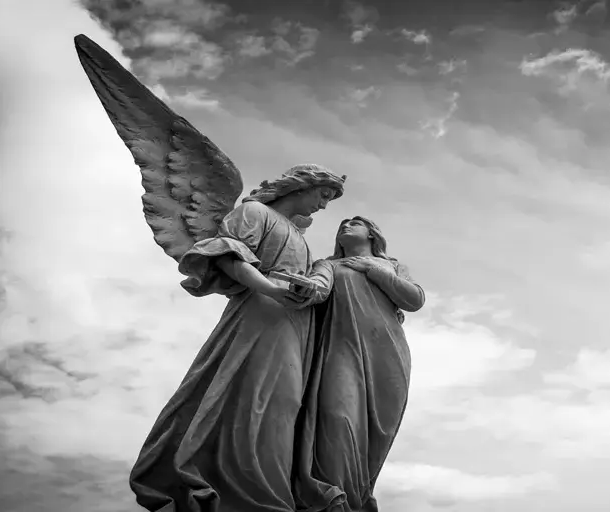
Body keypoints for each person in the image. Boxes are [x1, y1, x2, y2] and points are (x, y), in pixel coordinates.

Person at [129, 164, 346, 512]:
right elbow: (230, 258)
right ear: (303, 186)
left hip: (293, 327)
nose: (323, 205)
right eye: (324, 195)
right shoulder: (254, 212)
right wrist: (272, 290)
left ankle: (270, 491)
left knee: (283, 405)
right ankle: (243, 494)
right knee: (249, 397)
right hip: (259, 315)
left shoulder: (299, 237)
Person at [293, 216, 426, 512]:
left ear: (372, 233)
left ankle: (360, 496)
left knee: (379, 432)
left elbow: (414, 299)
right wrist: (305, 287)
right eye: (341, 224)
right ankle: (335, 498)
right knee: (337, 418)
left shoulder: (390, 264)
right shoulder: (328, 265)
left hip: (388, 354)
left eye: (354, 223)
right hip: (342, 350)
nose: (345, 226)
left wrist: (373, 270)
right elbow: (319, 286)